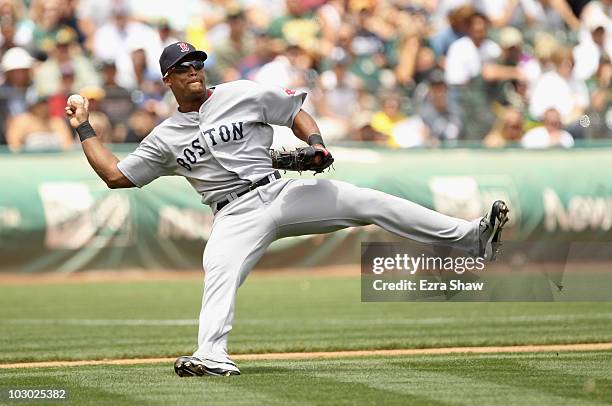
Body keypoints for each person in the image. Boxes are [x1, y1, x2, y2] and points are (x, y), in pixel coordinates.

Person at [65, 41, 509, 377]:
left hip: (281, 192)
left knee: (369, 200)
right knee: (218, 268)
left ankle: (473, 236)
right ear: (168, 80)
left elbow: (296, 111)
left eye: (198, 63)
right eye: (184, 68)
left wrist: (314, 144)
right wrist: (84, 125)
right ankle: (212, 356)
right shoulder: (164, 138)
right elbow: (116, 175)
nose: (194, 70)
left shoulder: (241, 92)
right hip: (234, 214)